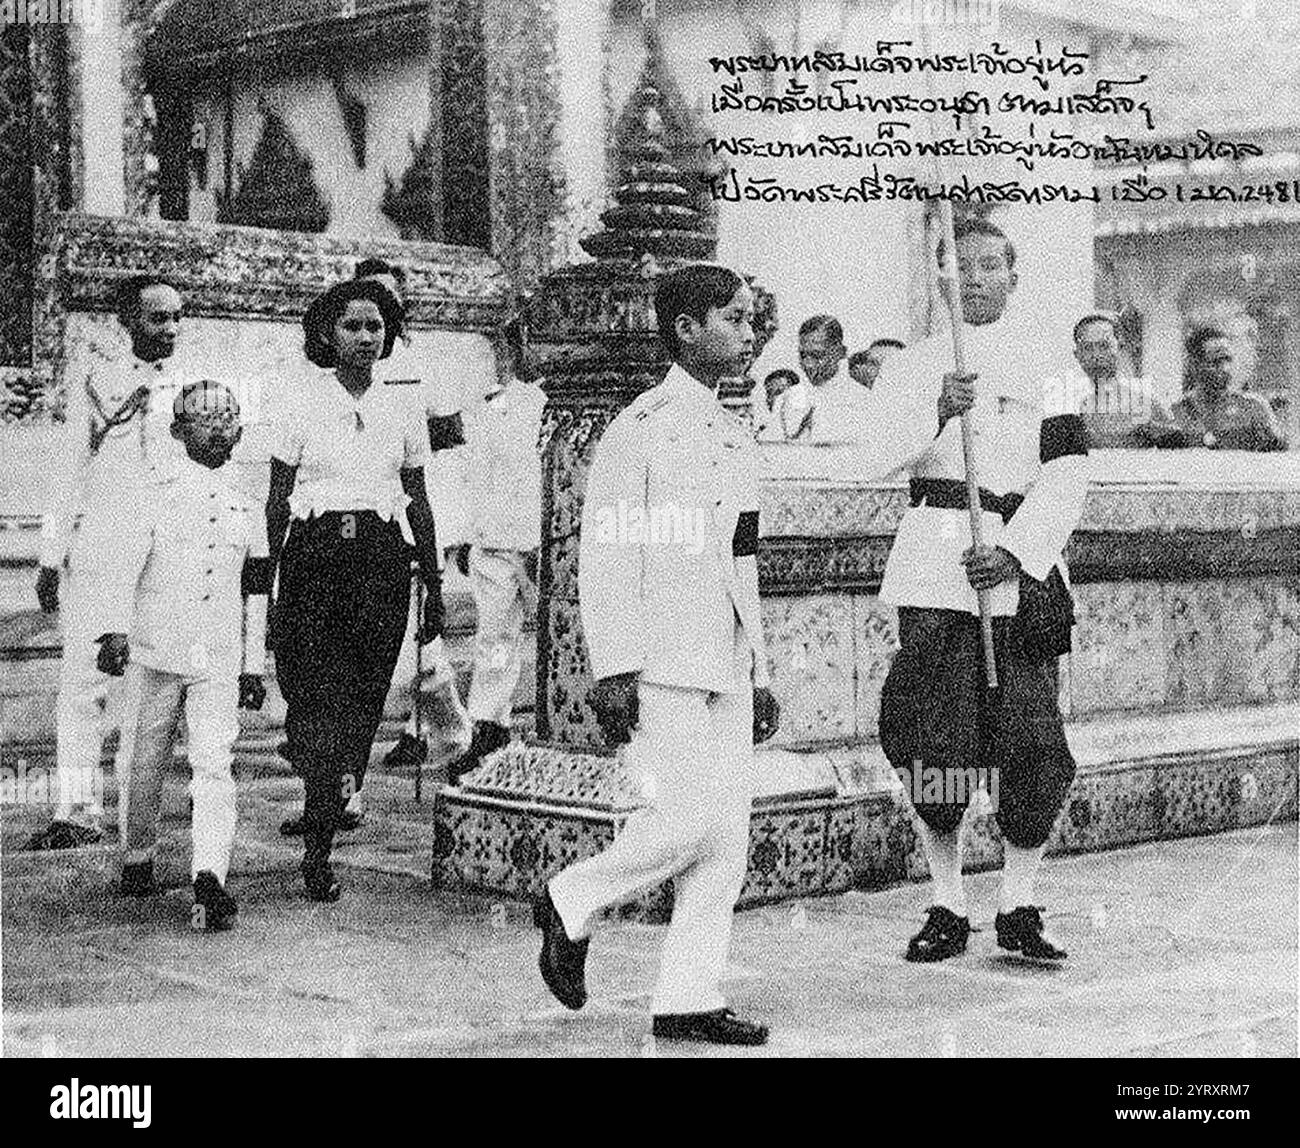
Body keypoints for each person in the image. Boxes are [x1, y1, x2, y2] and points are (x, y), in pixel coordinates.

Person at [533, 263, 780, 1046]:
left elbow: (743, 557)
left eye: (749, 320)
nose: (749, 334)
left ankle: (688, 997)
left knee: (727, 840)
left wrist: (762, 669)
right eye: (735, 319)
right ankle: (572, 896)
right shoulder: (638, 427)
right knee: (681, 822)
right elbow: (604, 555)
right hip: (662, 656)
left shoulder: (733, 429)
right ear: (686, 328)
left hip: (727, 657)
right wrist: (613, 666)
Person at [856, 218, 1089, 964]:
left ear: (1014, 278)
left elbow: (1068, 474)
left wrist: (1018, 555)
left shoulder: (1052, 366)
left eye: (994, 265)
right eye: (964, 267)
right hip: (933, 564)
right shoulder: (914, 367)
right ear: (942, 279)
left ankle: (1018, 901)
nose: (979, 277)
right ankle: (947, 901)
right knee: (937, 738)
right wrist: (937, 410)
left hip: (1014, 565)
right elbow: (872, 461)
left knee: (1029, 741)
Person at [266, 279, 445, 901]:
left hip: (380, 563)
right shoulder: (299, 401)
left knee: (361, 705)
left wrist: (436, 582)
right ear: (326, 334)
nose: (367, 338)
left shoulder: (403, 409)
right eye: (353, 327)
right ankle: (319, 819)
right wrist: (270, 586)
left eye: (376, 328)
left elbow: (418, 499)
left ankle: (320, 842)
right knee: (311, 698)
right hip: (313, 559)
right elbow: (276, 500)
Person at [26, 277, 189, 851]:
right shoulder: (99, 381)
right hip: (102, 547)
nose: (169, 329)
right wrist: (51, 555)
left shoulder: (192, 387)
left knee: (151, 676)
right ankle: (74, 809)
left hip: (166, 549)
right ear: (128, 322)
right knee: (85, 679)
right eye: (156, 319)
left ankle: (138, 809)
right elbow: (69, 468)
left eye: (175, 318)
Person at [101, 381, 268, 929]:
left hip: (216, 653)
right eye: (204, 419)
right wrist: (112, 631)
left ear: (239, 431)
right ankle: (137, 853)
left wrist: (251, 663)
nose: (219, 427)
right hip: (155, 644)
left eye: (228, 419)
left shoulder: (249, 500)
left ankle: (209, 875)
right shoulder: (155, 488)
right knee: (141, 758)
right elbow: (123, 563)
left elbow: (257, 586)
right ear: (178, 431)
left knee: (214, 763)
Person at [343, 259, 472, 781]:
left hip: (412, 513)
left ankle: (444, 733)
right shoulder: (340, 371)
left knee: (422, 642)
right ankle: (343, 780)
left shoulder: (427, 366)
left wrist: (443, 529)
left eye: (387, 302)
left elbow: (446, 450)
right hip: (357, 518)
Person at [439, 315, 549, 784]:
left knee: (556, 635)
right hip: (493, 540)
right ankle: (490, 725)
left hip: (540, 542)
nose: (525, 351)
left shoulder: (554, 405)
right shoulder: (493, 406)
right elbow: (470, 471)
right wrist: (464, 535)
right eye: (517, 341)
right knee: (495, 639)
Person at [1069, 314, 1180, 448]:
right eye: (1087, 348)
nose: (1096, 355)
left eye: (1104, 346)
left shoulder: (1147, 405)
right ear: (1077, 355)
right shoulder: (1071, 406)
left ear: (1119, 348)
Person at [1169, 325, 1287, 451]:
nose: (1225, 369)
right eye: (1215, 362)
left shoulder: (1252, 409)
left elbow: (1278, 458)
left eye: (1228, 360)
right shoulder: (1178, 413)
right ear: (1195, 365)